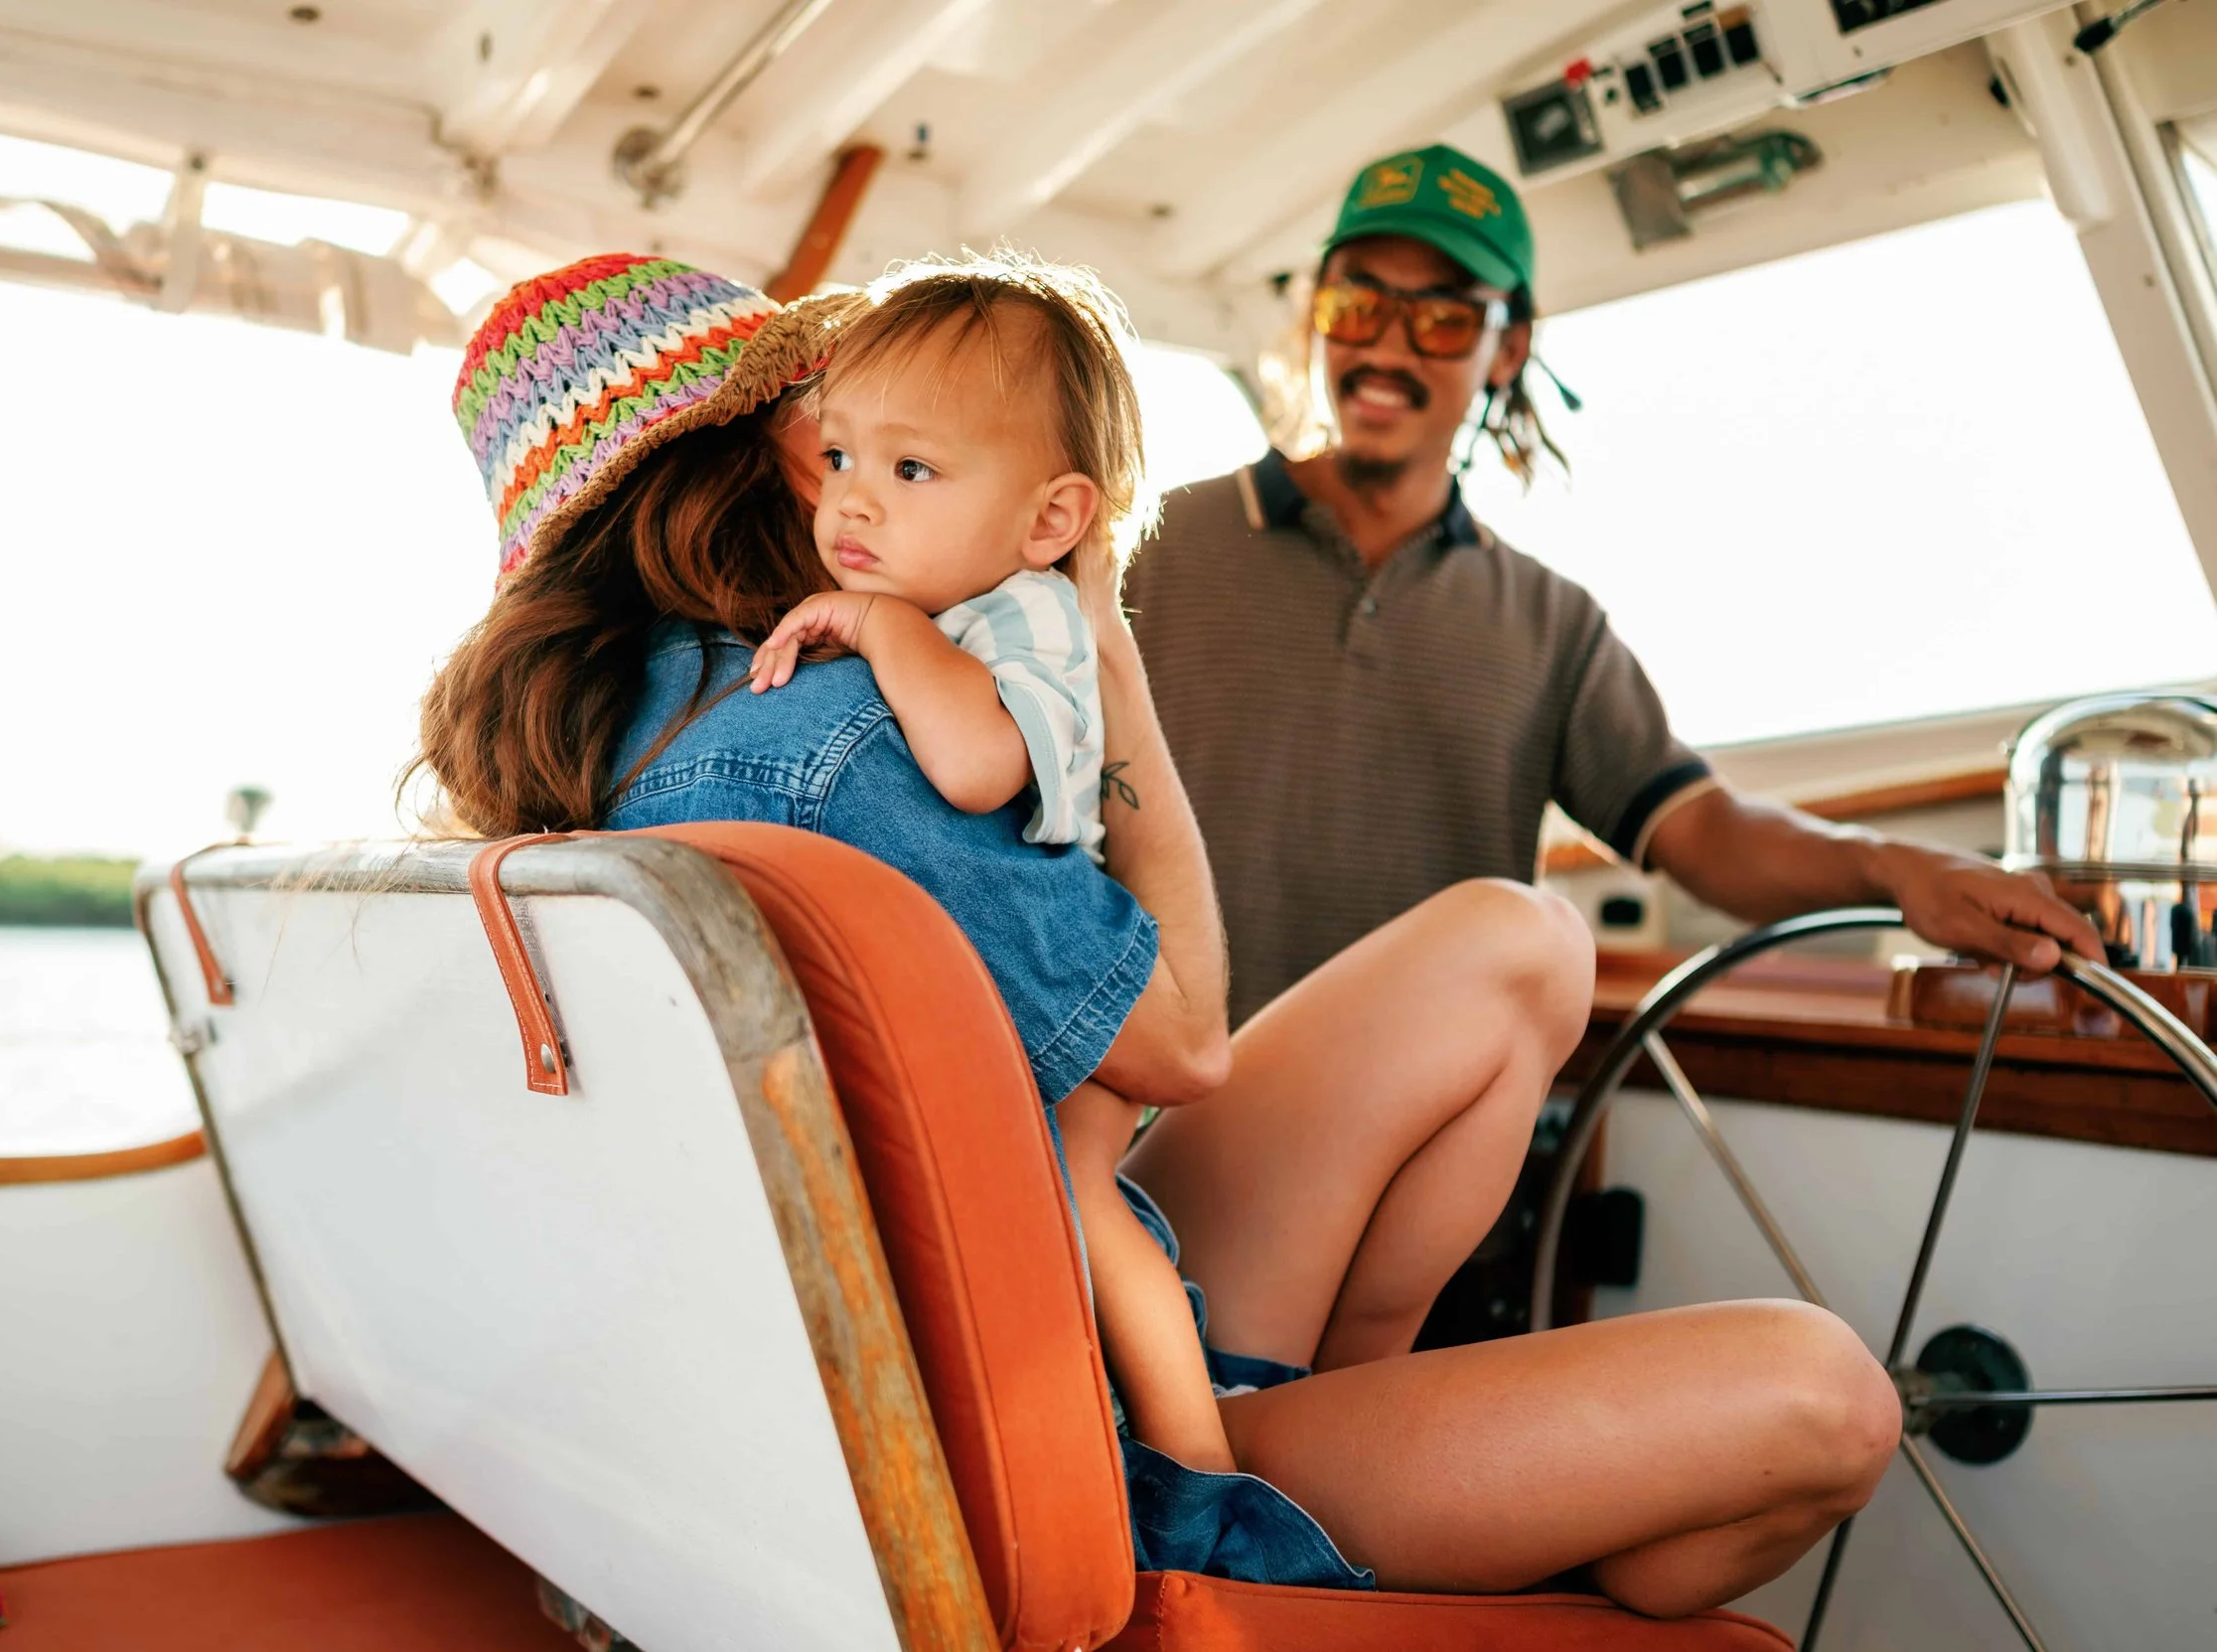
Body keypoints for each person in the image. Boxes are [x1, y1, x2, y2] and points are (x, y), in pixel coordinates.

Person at [414, 251, 1899, 1615]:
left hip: (972, 1351)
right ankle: (1317, 1504)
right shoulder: (838, 738)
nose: (849, 453)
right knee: (1831, 1398)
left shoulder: (601, 760)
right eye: (820, 417)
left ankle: (1371, 1436)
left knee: (1518, 938)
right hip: (1076, 1437)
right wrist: (1105, 640)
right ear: (739, 457)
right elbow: (1184, 1033)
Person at [1128, 143, 2104, 1027]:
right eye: (1358, 304)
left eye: (1441, 318)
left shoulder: (1552, 627)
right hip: (1143, 1116)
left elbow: (1703, 831)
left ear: (1506, 350)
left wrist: (1891, 868)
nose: (1385, 348)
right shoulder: (1147, 550)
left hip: (1408, 1135)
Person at [745, 258, 1234, 1474]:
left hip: (1077, 962)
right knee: (1058, 1205)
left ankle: (1205, 1473)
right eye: (840, 458)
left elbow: (970, 767)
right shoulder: (960, 595)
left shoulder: (1018, 613)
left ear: (1052, 522)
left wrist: (876, 625)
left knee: (1086, 1203)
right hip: (1041, 968)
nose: (853, 505)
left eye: (910, 470)